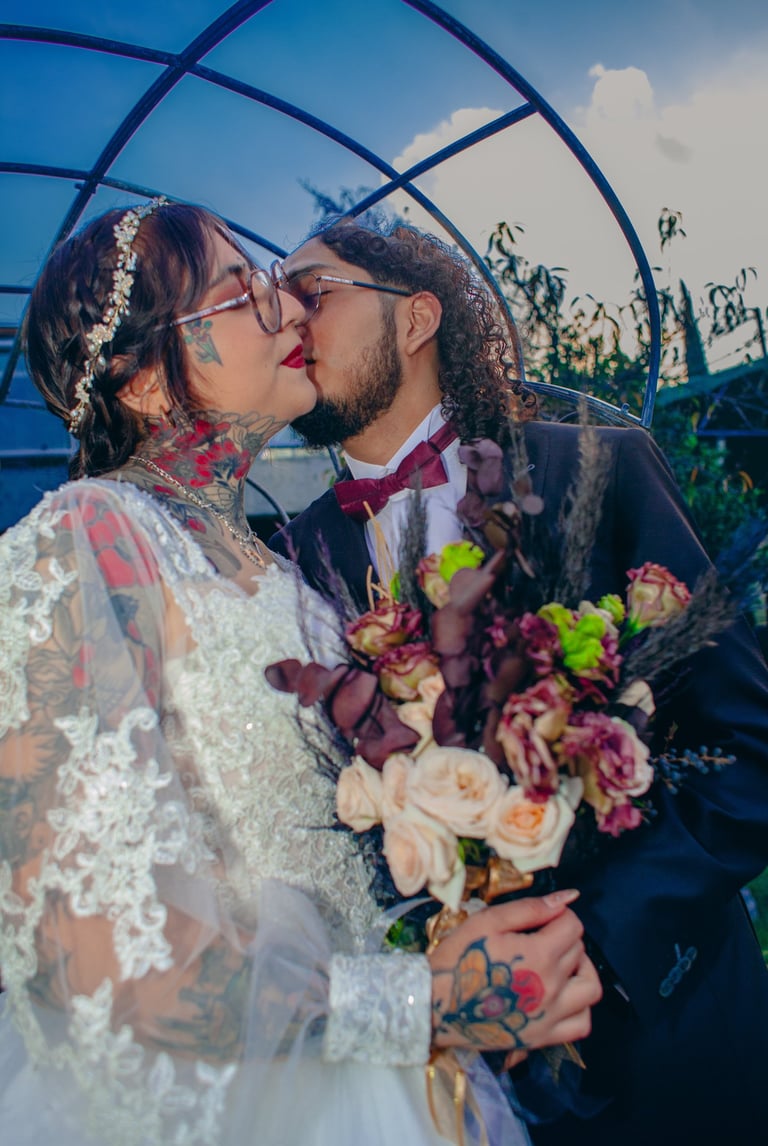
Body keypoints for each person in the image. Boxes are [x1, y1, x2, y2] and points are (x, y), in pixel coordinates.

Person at [0, 199, 601, 1146]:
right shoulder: (86, 542)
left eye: (273, 283)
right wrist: (418, 1004)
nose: (287, 310)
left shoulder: (283, 569)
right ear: (146, 382)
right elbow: (88, 954)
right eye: (242, 293)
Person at [270, 219, 768, 1145]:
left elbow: (748, 743)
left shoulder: (596, 469)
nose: (287, 316)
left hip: (668, 1042)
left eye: (312, 289)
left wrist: (602, 947)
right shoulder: (291, 562)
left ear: (415, 318)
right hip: (459, 1082)